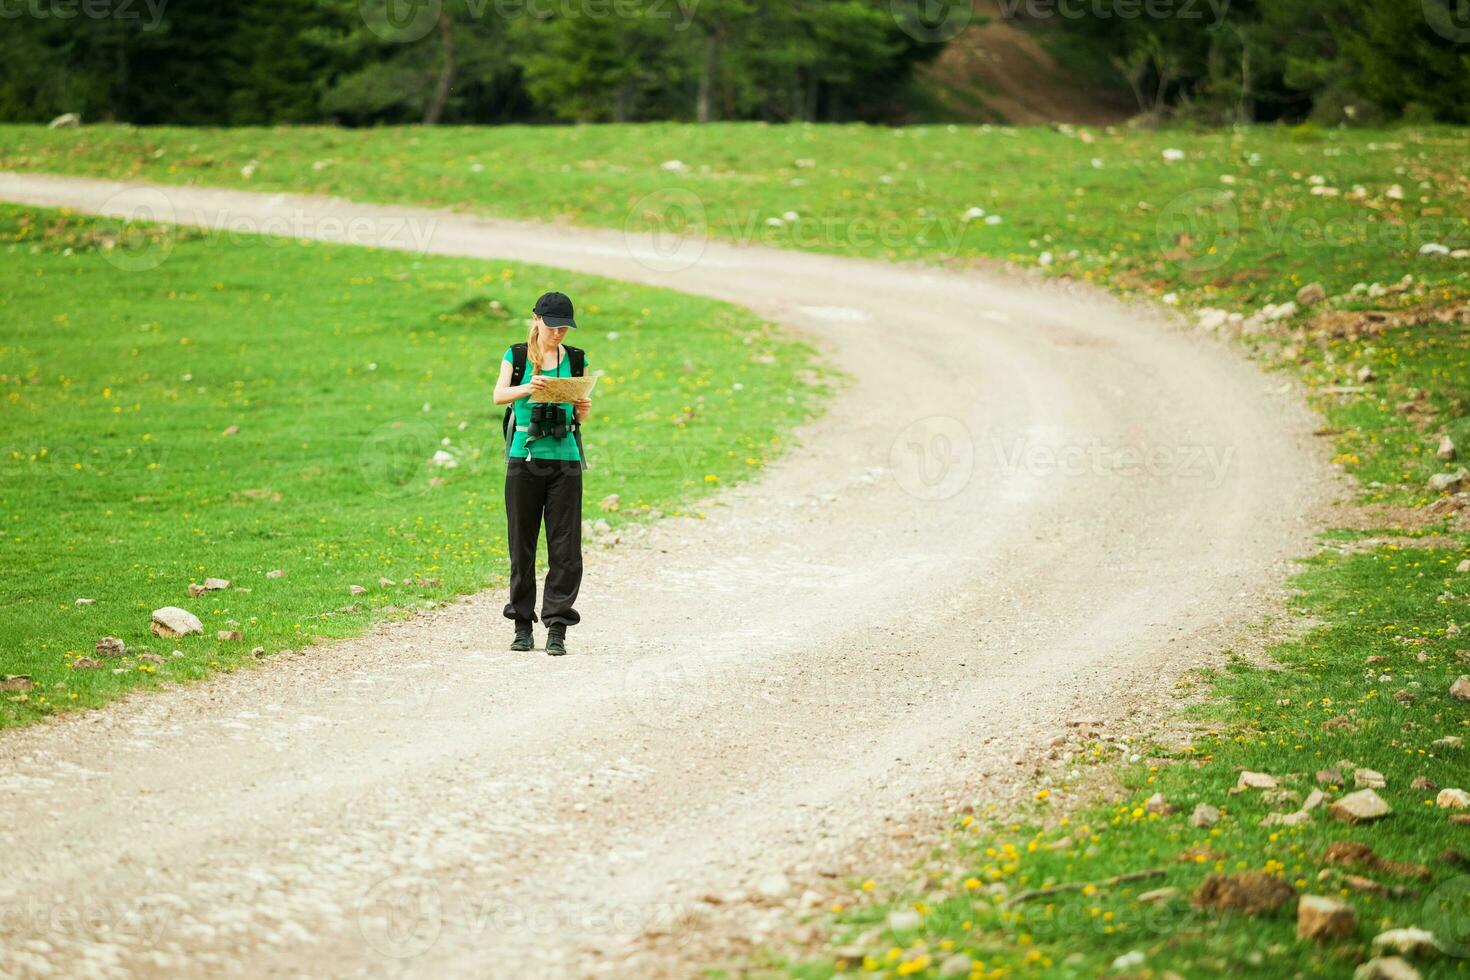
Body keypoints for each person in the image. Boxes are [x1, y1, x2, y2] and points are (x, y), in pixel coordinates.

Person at [492, 291, 593, 656]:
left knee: (566, 549)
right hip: (524, 458)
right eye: (552, 326)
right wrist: (528, 387)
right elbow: (498, 395)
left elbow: (579, 419)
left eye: (564, 328)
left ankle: (557, 627)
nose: (558, 333)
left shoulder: (576, 359)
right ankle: (522, 625)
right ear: (536, 319)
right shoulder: (516, 356)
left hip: (565, 461)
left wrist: (583, 408)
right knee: (522, 545)